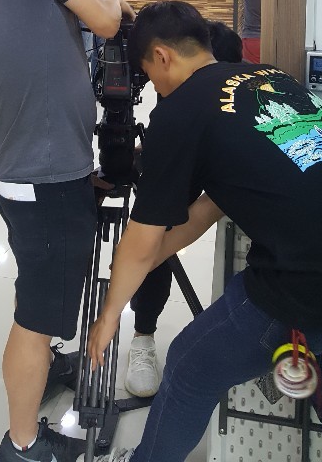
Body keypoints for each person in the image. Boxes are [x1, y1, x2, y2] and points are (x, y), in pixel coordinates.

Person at [88, 0, 322, 462]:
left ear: (161, 56)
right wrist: (142, 263)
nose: (154, 88)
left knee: (188, 367)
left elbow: (142, 241)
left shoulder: (181, 110)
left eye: (149, 74)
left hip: (314, 281)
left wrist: (108, 317)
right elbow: (206, 210)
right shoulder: (270, 78)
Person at [0, 0, 126, 462]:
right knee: (35, 316)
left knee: (41, 291)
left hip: (32, 171)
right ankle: (23, 444)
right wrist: (117, 1)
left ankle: (48, 364)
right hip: (42, 178)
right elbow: (105, 22)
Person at [125, 20, 242, 399]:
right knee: (157, 232)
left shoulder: (230, 80)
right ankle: (143, 336)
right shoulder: (173, 97)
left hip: (233, 157)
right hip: (184, 155)